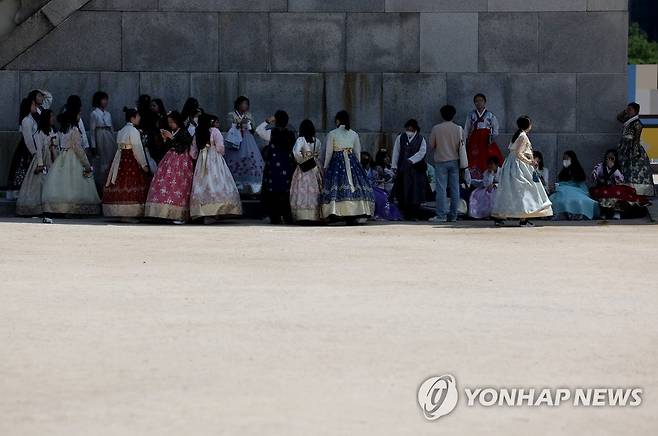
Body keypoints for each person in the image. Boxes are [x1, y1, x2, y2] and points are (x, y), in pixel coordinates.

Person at [491, 116, 553, 227]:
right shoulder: (523, 136)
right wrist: (531, 162)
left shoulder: (517, 135)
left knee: (512, 191)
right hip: (519, 166)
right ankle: (523, 219)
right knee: (525, 190)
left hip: (511, 164)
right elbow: (519, 154)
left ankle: (501, 216)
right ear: (528, 125)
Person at [42, 111, 100, 215]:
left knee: (62, 182)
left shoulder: (62, 131)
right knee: (75, 182)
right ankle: (74, 206)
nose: (79, 116)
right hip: (73, 157)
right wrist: (86, 164)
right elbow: (78, 148)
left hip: (63, 157)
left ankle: (61, 207)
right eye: (78, 114)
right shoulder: (75, 130)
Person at [320, 110, 375, 223]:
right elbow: (357, 152)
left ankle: (336, 213)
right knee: (354, 186)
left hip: (337, 162)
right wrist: (357, 167)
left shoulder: (332, 134)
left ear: (337, 120)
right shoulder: (354, 134)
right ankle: (355, 212)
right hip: (352, 161)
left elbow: (329, 152)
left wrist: (325, 166)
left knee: (336, 186)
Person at [189, 113, 242, 221]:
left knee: (202, 183)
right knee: (217, 181)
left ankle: (203, 211)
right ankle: (217, 210)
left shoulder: (197, 133)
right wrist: (220, 154)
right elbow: (220, 147)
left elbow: (193, 152)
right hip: (214, 159)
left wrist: (196, 156)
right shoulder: (215, 131)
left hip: (202, 160)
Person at [145, 111, 194, 223]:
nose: (170, 124)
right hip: (169, 159)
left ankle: (179, 214)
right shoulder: (173, 131)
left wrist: (171, 138)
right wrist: (165, 139)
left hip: (181, 162)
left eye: (172, 122)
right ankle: (164, 212)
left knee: (179, 185)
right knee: (164, 184)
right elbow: (168, 147)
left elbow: (181, 148)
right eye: (169, 122)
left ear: (177, 121)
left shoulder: (184, 132)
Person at [102, 108, 151, 219]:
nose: (139, 118)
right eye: (138, 116)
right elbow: (137, 149)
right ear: (132, 117)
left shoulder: (121, 130)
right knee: (132, 183)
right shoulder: (133, 131)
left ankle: (118, 211)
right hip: (131, 159)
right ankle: (131, 212)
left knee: (119, 182)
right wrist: (143, 164)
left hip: (120, 159)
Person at [256, 111, 296, 224]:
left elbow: (258, 130)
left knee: (273, 191)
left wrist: (267, 121)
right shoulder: (291, 134)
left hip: (273, 167)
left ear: (276, 121)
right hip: (287, 167)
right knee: (286, 191)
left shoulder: (271, 133)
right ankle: (287, 216)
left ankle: (275, 216)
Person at [16, 109, 58, 216]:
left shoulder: (53, 131)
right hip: (43, 159)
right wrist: (40, 164)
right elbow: (39, 150)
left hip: (52, 158)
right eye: (51, 116)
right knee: (40, 183)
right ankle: (39, 207)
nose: (52, 119)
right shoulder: (39, 133)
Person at [224, 96, 265, 194]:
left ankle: (251, 184)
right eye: (243, 103)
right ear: (238, 104)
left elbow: (253, 129)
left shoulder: (249, 115)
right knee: (234, 160)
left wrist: (249, 124)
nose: (244, 105)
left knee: (250, 159)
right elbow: (228, 127)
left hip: (247, 139)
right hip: (236, 139)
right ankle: (235, 184)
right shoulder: (231, 115)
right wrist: (238, 124)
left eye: (246, 104)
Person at [428, 105, 462, 223]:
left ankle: (441, 215)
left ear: (441, 115)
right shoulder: (458, 128)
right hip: (454, 160)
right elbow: (460, 146)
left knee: (441, 189)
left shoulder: (436, 128)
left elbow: (431, 145)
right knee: (455, 189)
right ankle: (453, 215)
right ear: (453, 115)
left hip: (441, 160)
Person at [591, 149, 646, 220]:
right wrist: (598, 177)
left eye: (612, 158)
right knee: (603, 194)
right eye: (608, 158)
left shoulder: (616, 169)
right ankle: (604, 213)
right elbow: (594, 174)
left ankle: (617, 213)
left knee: (619, 194)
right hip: (602, 187)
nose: (609, 160)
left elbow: (621, 180)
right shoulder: (600, 166)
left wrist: (613, 170)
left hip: (613, 187)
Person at [391, 119, 429, 220]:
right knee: (403, 192)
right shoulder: (400, 138)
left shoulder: (421, 139)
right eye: (407, 129)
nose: (409, 131)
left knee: (415, 193)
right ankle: (404, 213)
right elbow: (396, 152)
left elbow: (422, 152)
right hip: (403, 170)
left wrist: (412, 160)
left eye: (411, 129)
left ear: (415, 129)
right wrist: (394, 166)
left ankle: (414, 214)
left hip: (416, 170)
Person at [616, 102, 654, 196]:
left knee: (634, 169)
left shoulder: (638, 123)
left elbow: (636, 139)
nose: (628, 111)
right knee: (623, 167)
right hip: (623, 147)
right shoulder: (628, 120)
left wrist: (634, 152)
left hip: (632, 148)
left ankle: (637, 190)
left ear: (636, 111)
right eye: (627, 109)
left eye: (630, 109)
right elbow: (619, 117)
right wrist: (625, 110)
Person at [289, 119, 324, 223]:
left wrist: (301, 161)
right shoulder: (317, 141)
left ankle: (302, 215)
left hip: (303, 169)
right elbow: (320, 155)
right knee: (316, 190)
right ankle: (315, 215)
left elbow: (296, 152)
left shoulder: (301, 140)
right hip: (315, 168)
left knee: (301, 190)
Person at [549, 151, 599, 220]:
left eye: (567, 158)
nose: (565, 160)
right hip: (564, 191)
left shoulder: (578, 170)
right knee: (554, 197)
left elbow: (576, 183)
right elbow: (562, 182)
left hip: (578, 190)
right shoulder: (563, 171)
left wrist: (561, 185)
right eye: (564, 159)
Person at [464, 93, 503, 179]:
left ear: (485, 102)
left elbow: (495, 126)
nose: (479, 103)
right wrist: (465, 139)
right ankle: (475, 177)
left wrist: (492, 136)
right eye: (476, 101)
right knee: (474, 156)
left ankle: (491, 175)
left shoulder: (490, 114)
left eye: (481, 101)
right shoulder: (471, 115)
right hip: (475, 139)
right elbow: (467, 128)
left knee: (488, 155)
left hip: (486, 139)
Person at [7, 98, 39, 195]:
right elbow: (28, 139)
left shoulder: (31, 118)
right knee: (23, 170)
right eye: (33, 105)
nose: (36, 107)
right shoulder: (26, 120)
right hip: (26, 151)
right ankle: (19, 193)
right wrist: (34, 152)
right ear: (28, 106)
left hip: (30, 148)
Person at [363, 151, 402, 221]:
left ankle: (387, 213)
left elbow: (381, 179)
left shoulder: (375, 169)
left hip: (377, 188)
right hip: (366, 189)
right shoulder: (360, 170)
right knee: (378, 196)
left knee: (384, 196)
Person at [89, 91, 117, 191]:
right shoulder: (94, 113)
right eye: (103, 99)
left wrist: (114, 140)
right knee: (102, 160)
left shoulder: (108, 114)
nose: (105, 101)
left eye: (106, 99)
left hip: (108, 136)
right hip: (100, 136)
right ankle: (101, 184)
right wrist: (93, 145)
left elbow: (112, 128)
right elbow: (92, 131)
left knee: (110, 158)